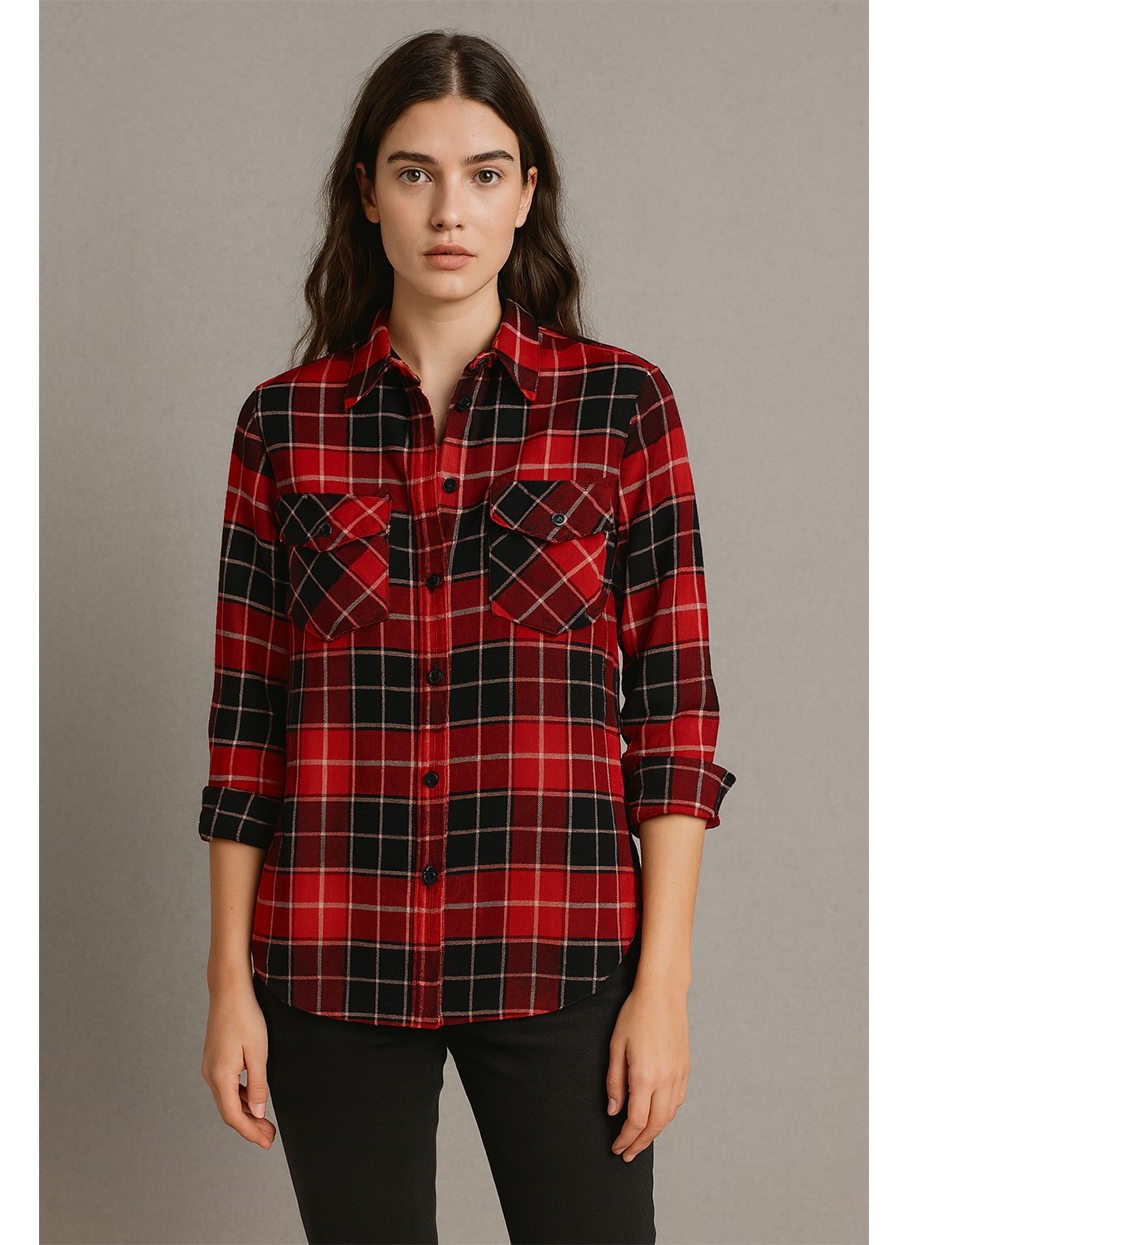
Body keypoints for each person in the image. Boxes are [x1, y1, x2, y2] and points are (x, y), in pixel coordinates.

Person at [197, 29, 736, 1245]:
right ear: (366, 193)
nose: (451, 209)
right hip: (332, 956)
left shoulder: (620, 407)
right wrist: (229, 982)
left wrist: (662, 986)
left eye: (485, 174)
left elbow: (673, 719)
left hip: (560, 946)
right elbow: (246, 730)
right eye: (415, 172)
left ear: (527, 194)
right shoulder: (283, 429)